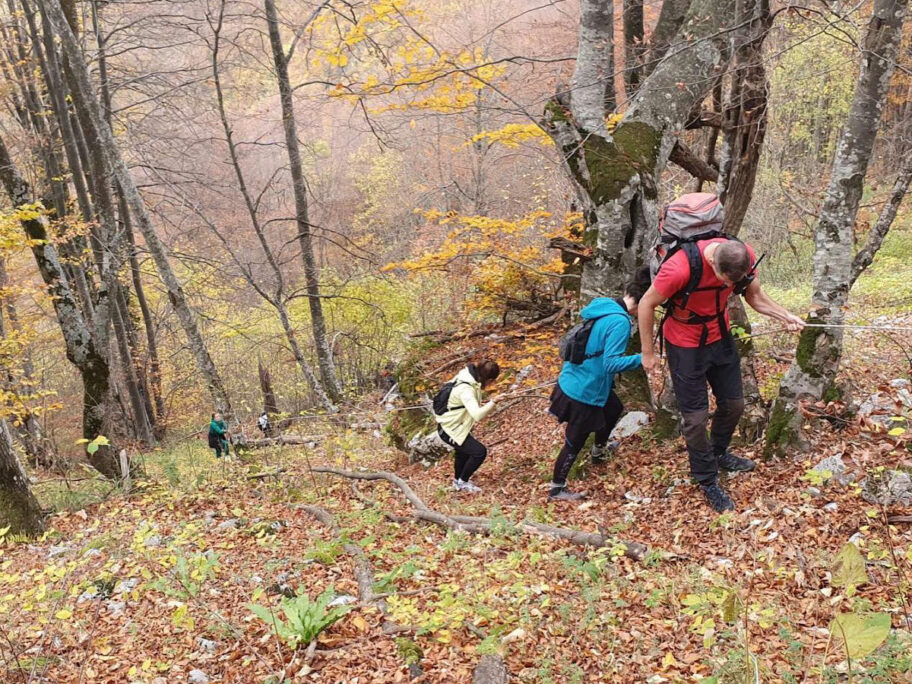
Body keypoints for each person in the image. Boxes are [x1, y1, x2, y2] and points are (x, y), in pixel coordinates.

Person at [638, 237, 804, 512]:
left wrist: (786, 316)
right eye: (723, 280)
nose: (728, 287)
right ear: (713, 261)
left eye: (731, 283)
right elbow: (646, 304)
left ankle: (717, 452)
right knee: (695, 417)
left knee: (734, 404)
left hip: (719, 336)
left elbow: (756, 297)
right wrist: (647, 352)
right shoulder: (679, 268)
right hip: (685, 344)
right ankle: (706, 479)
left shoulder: (743, 257)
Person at [548, 267, 652, 502]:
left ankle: (599, 451)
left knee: (613, 408)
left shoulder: (605, 305)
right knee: (574, 441)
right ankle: (556, 489)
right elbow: (611, 364)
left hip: (577, 379)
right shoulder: (620, 322)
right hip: (583, 391)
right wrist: (643, 359)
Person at [436, 359, 501, 493]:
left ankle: (457, 481)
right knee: (479, 452)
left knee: (463, 453)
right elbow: (477, 415)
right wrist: (494, 402)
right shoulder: (466, 389)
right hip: (450, 429)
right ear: (488, 379)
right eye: (492, 381)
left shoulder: (467, 375)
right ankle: (463, 481)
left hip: (453, 425)